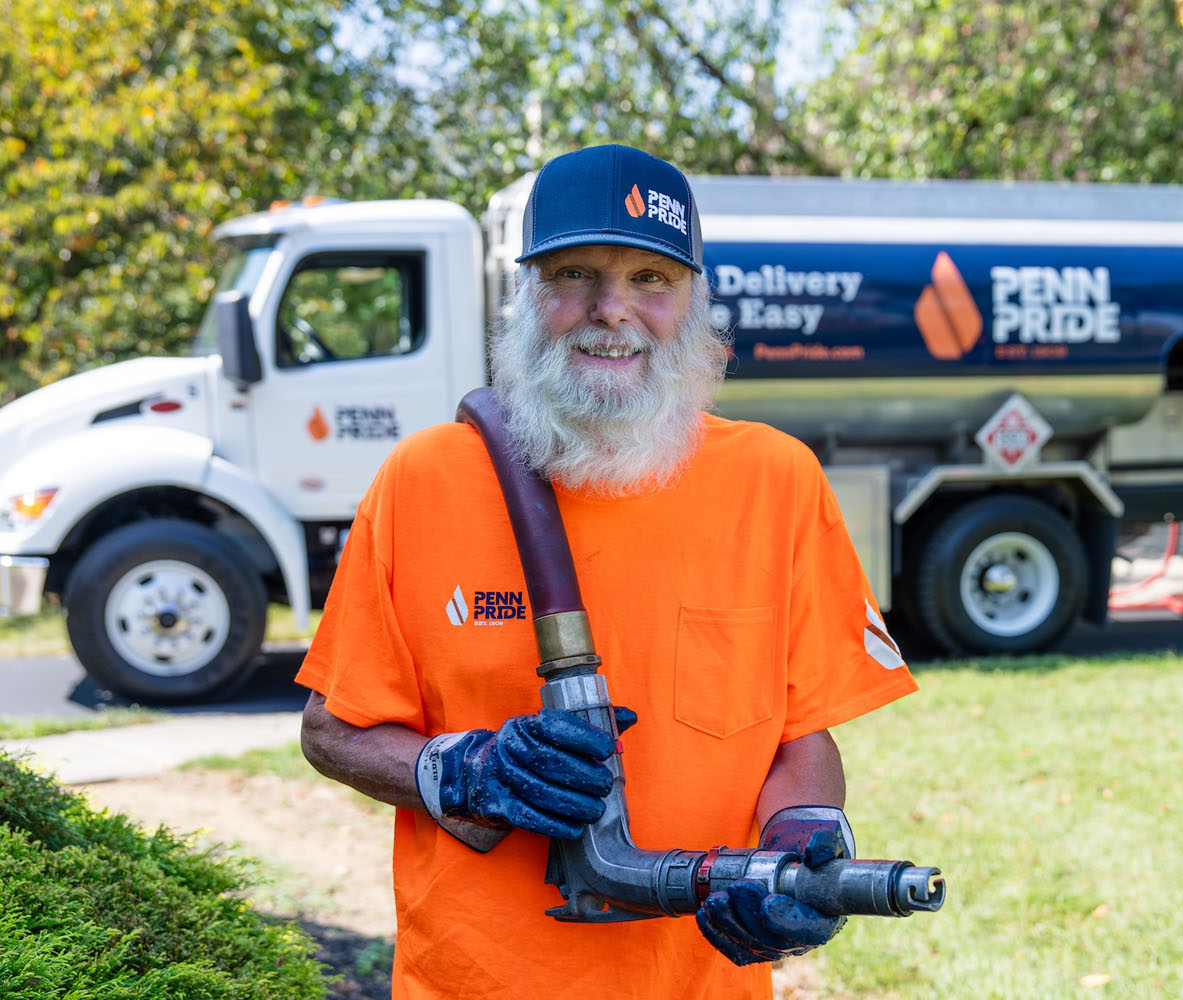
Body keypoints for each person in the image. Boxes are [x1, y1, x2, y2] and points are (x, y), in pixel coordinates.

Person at [297, 143, 918, 1000]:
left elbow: (800, 734)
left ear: (694, 300)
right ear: (527, 295)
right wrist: (464, 772)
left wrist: (802, 842)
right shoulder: (425, 479)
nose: (611, 310)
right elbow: (331, 731)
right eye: (575, 275)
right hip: (474, 984)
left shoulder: (775, 481)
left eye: (650, 279)